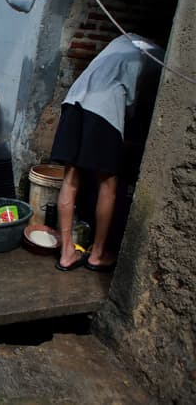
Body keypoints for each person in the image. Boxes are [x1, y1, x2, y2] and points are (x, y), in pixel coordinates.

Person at [52, 33, 163, 272]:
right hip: (104, 110)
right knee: (109, 185)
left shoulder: (120, 42)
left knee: (70, 179)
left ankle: (67, 254)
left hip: (73, 102)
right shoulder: (159, 57)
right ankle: (98, 254)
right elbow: (139, 102)